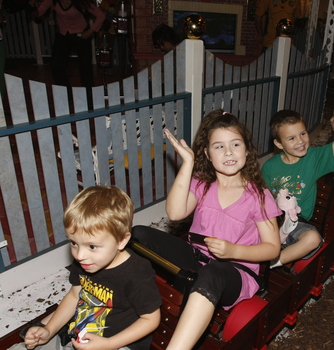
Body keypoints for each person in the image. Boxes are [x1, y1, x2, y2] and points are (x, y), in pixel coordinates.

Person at [132, 110, 282, 350]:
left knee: (211, 273)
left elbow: (273, 249)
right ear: (207, 154)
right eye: (219, 147)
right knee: (138, 235)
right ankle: (126, 310)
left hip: (236, 271)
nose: (229, 152)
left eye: (235, 144)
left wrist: (234, 250)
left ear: (247, 150)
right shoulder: (202, 183)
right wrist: (187, 165)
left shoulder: (258, 196)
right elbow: (175, 213)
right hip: (198, 259)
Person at [9, 186, 162, 350]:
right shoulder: (86, 261)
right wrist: (49, 329)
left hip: (118, 344)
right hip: (77, 335)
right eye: (74, 243)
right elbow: (75, 295)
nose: (79, 255)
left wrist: (109, 344)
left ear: (121, 241)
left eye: (92, 246)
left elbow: (150, 319)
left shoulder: (136, 274)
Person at [262, 103, 334, 268]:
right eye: (292, 138)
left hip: (296, 224)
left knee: (313, 239)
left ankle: (273, 261)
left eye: (303, 133)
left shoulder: (313, 158)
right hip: (272, 222)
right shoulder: (269, 166)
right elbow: (262, 199)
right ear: (279, 144)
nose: (300, 141)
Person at [31, 0, 106, 94]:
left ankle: (89, 98)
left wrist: (90, 32)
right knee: (56, 65)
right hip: (63, 34)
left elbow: (101, 16)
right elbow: (40, 10)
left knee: (85, 67)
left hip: (81, 35)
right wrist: (32, 9)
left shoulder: (80, 2)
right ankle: (67, 95)